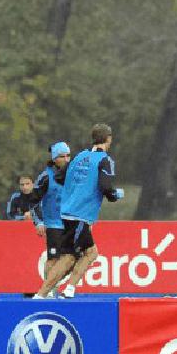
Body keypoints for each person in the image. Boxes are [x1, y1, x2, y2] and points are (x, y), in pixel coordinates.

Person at [33, 124, 124, 299]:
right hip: (80, 215)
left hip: (67, 212)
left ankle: (69, 288)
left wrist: (76, 189)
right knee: (69, 257)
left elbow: (60, 176)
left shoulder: (80, 156)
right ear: (109, 139)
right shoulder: (105, 159)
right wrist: (115, 195)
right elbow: (106, 187)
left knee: (90, 252)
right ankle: (42, 294)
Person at [30, 142, 72, 298]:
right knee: (53, 258)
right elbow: (33, 201)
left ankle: (54, 288)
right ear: (54, 158)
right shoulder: (46, 176)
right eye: (62, 156)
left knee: (67, 259)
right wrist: (39, 222)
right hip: (53, 224)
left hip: (70, 224)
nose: (66, 159)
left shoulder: (72, 175)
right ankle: (47, 291)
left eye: (68, 155)